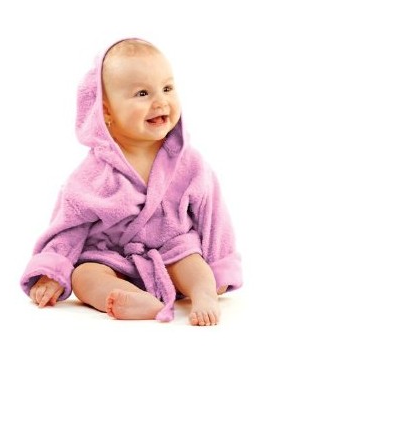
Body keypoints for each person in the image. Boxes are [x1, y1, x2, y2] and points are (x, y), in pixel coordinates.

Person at [20, 38, 242, 325]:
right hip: (111, 257)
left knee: (192, 262)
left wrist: (220, 266)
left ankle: (204, 294)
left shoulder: (188, 163)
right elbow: (70, 225)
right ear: (106, 111)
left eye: (167, 88)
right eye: (142, 93)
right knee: (84, 275)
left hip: (172, 250)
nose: (160, 101)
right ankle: (129, 298)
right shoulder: (94, 173)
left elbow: (213, 216)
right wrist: (53, 270)